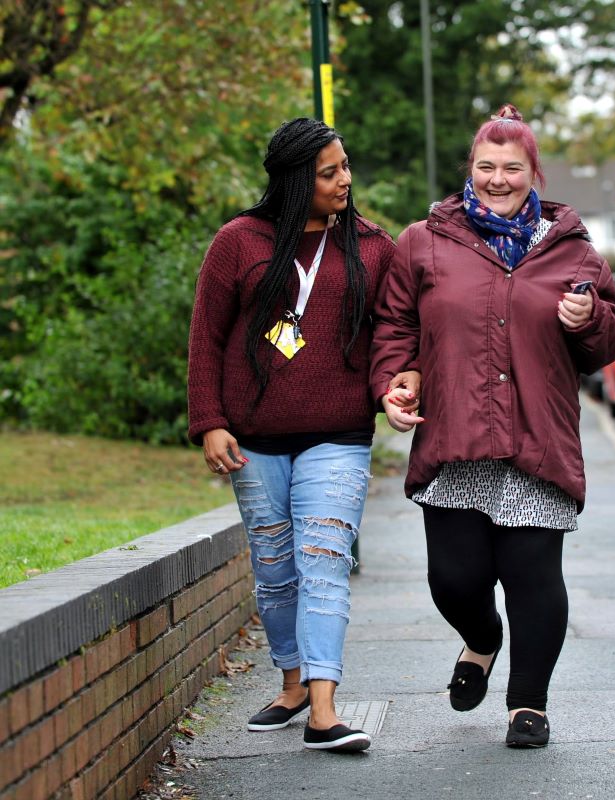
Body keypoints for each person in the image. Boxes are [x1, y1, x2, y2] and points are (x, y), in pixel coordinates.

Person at [370, 104, 615, 748]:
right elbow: (396, 325)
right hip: (455, 438)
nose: (498, 179)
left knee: (533, 577)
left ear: (533, 173)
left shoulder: (573, 250)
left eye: (512, 168)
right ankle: (482, 638)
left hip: (536, 438)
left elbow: (611, 338)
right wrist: (397, 379)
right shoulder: (423, 241)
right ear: (470, 169)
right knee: (453, 579)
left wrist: (586, 320)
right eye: (486, 166)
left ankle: (528, 703)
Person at [187, 117, 419, 753]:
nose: (344, 180)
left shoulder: (373, 246)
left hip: (338, 434)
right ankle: (291, 683)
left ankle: (323, 708)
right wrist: (209, 420)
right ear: (294, 179)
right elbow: (206, 335)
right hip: (255, 437)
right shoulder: (239, 241)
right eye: (329, 172)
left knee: (323, 564)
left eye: (345, 166)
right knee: (276, 571)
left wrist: (397, 385)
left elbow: (394, 337)